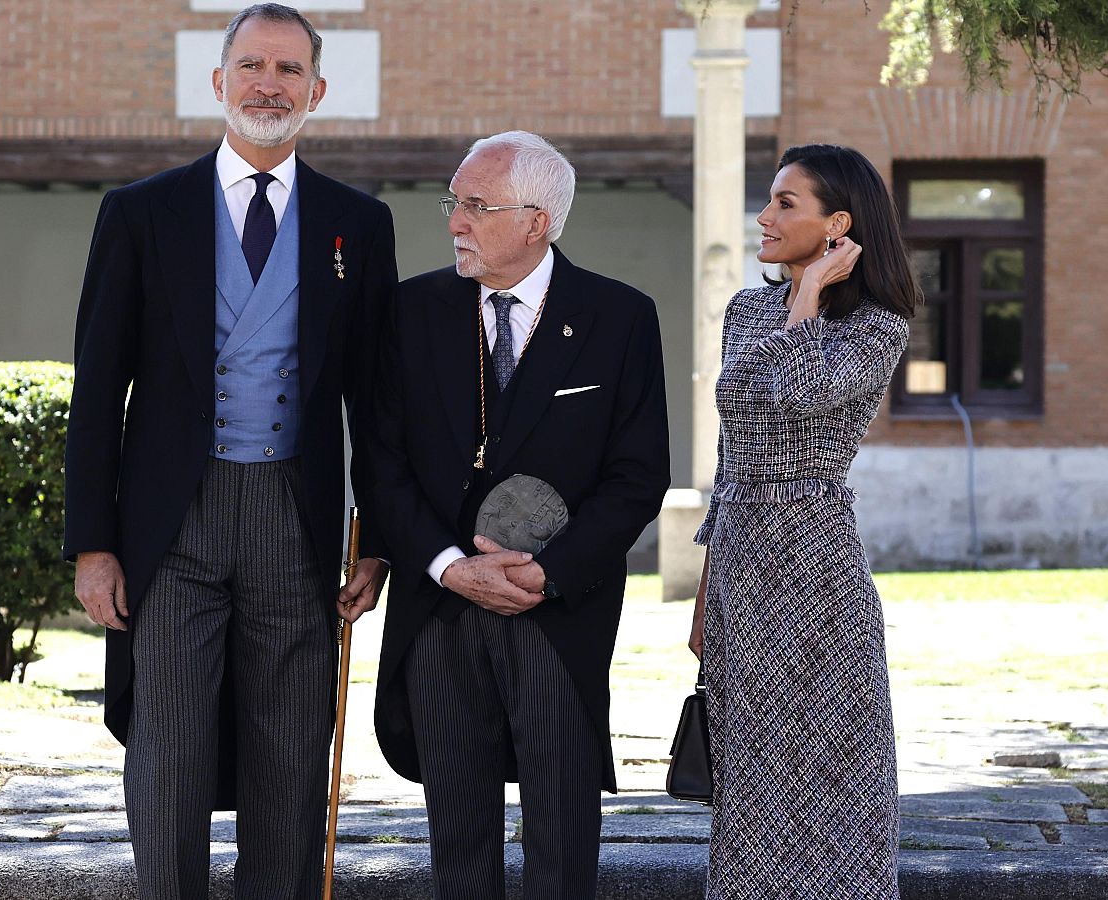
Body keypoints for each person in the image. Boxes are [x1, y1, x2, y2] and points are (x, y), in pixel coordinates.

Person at [62, 5, 396, 897]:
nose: (268, 85)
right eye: (252, 66)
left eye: (289, 70)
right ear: (218, 82)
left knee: (291, 749)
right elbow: (97, 389)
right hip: (174, 520)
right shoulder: (141, 212)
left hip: (296, 515)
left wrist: (377, 541)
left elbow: (378, 401)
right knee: (168, 748)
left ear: (316, 92)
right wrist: (92, 544)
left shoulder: (358, 223)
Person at [369, 130, 670, 899]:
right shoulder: (411, 310)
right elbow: (380, 463)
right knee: (458, 842)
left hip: (557, 612)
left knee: (560, 840)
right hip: (439, 609)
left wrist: (548, 572)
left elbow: (638, 476)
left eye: (477, 206)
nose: (455, 222)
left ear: (537, 221)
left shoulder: (618, 317)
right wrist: (449, 566)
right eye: (455, 202)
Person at [687, 143, 921, 900]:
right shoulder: (745, 310)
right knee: (751, 773)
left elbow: (800, 391)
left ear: (837, 225)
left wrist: (810, 292)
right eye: (769, 199)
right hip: (740, 554)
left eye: (785, 203)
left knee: (836, 771)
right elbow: (732, 447)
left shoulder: (879, 328)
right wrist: (705, 588)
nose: (764, 215)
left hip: (817, 557)